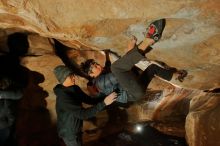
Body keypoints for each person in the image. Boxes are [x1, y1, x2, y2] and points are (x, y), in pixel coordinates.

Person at [80, 36, 187, 104]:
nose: (98, 65)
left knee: (152, 68)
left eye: (96, 63)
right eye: (94, 67)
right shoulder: (99, 83)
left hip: (135, 89)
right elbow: (118, 73)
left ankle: (175, 76)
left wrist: (107, 54)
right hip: (131, 92)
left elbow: (107, 65)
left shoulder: (102, 74)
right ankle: (147, 42)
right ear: (92, 75)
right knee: (116, 67)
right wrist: (129, 51)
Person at [53, 65, 117, 146]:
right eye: (70, 76)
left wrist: (106, 95)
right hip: (70, 134)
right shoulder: (63, 97)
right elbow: (83, 114)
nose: (74, 78)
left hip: (76, 129)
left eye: (73, 75)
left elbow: (90, 100)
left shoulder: (74, 88)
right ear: (63, 79)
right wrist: (104, 103)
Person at [0, 32, 29, 146]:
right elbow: (19, 92)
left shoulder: (13, 64)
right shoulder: (13, 65)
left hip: (8, 119)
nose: (27, 47)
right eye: (25, 44)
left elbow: (19, 92)